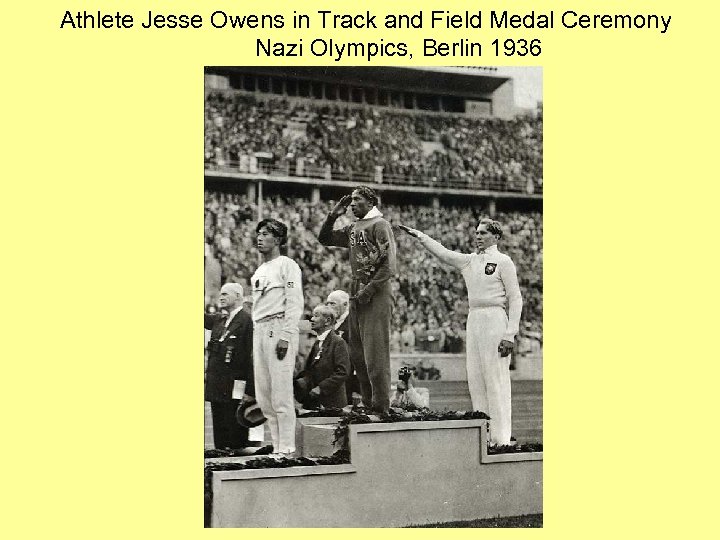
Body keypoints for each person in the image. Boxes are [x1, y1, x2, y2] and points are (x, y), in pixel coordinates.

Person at [400, 218, 522, 446]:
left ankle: (502, 438)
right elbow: (444, 253)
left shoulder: (503, 261)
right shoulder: (469, 261)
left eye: (483, 233)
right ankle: (484, 434)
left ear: (495, 236)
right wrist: (421, 237)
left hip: (495, 317)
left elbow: (515, 298)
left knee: (495, 379)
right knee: (476, 377)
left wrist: (509, 334)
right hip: (474, 318)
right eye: (476, 232)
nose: (478, 236)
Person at [318, 187, 397, 413]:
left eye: (357, 200)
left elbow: (389, 266)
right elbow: (325, 238)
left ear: (371, 202)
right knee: (358, 353)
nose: (352, 204)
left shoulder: (380, 225)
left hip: (377, 290)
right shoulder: (354, 227)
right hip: (357, 288)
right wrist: (333, 215)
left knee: (375, 352)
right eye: (351, 200)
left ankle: (381, 406)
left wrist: (369, 290)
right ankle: (368, 401)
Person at [251, 219, 304, 457]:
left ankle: (288, 448)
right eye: (258, 234)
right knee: (264, 396)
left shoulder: (287, 265)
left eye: (265, 234)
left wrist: (286, 334)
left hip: (278, 326)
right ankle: (276, 446)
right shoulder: (260, 270)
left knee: (281, 393)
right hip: (260, 329)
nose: (259, 238)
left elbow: (294, 301)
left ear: (279, 239)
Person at [204, 283, 254, 450]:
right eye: (220, 294)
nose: (221, 297)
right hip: (217, 386)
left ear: (238, 296)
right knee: (220, 436)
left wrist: (250, 390)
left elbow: (251, 358)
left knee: (235, 435)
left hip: (236, 386)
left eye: (225, 294)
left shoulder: (247, 321)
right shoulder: (220, 319)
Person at [294, 304, 350, 409]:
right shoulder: (317, 343)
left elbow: (342, 372)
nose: (312, 319)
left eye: (316, 315)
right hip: (314, 403)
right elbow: (310, 370)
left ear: (327, 321)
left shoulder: (338, 342)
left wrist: (321, 388)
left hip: (333, 405)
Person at [326, 289, 359, 402]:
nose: (329, 306)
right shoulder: (330, 322)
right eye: (328, 303)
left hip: (348, 376)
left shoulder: (354, 322)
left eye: (333, 303)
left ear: (345, 304)